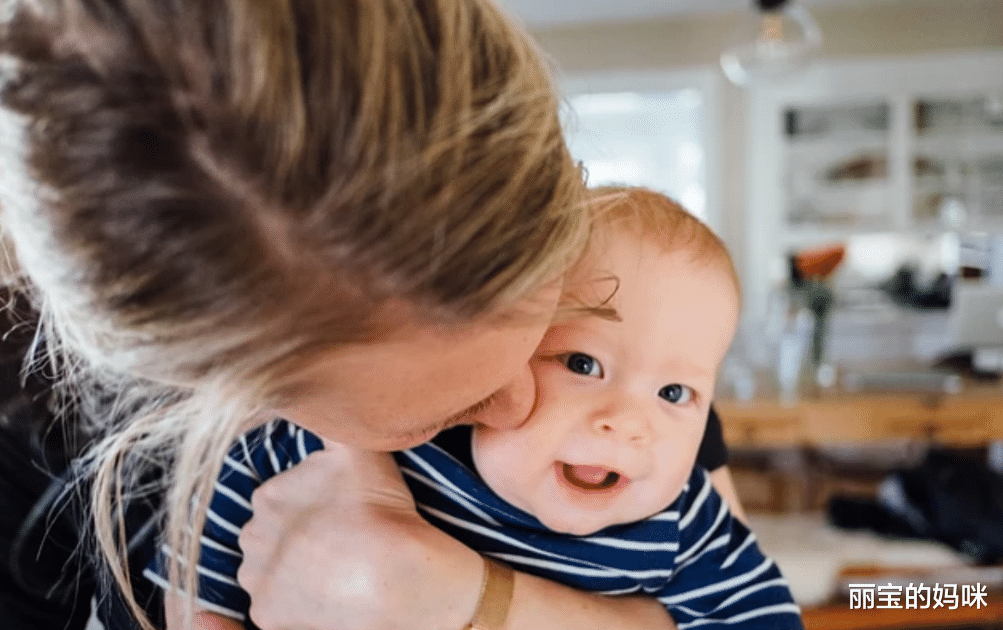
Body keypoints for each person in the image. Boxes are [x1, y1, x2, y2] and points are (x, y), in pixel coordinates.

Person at [0, 2, 710, 630]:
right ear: (220, 396)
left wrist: (479, 603)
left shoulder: (627, 339)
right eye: (441, 412)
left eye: (554, 329)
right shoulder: (29, 444)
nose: (523, 402)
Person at [150, 188, 802, 630]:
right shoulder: (390, 435)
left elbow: (762, 618)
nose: (628, 421)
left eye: (673, 394)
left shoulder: (682, 519)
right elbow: (207, 541)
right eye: (581, 364)